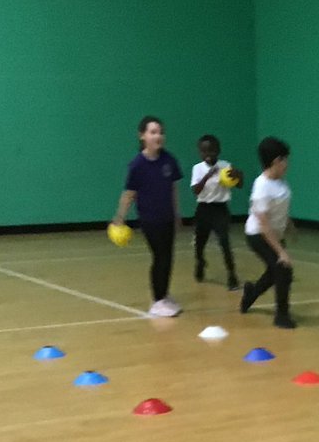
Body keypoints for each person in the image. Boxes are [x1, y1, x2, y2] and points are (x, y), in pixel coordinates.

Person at [113, 115, 183, 318]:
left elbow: (173, 189)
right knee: (159, 256)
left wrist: (177, 212)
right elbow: (129, 194)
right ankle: (157, 300)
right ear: (142, 136)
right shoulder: (137, 165)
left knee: (168, 257)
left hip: (167, 217)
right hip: (149, 219)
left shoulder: (169, 160)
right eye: (153, 132)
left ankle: (164, 294)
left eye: (160, 132)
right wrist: (120, 217)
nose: (158, 136)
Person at [239, 137, 296, 329]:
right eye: (284, 160)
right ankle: (282, 315)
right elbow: (263, 224)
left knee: (274, 272)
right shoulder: (261, 186)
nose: (287, 164)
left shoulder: (281, 183)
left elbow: (281, 209)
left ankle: (251, 293)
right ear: (275, 161)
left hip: (274, 234)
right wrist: (281, 252)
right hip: (258, 235)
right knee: (283, 269)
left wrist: (290, 225)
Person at [190, 134, 242, 291]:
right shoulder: (197, 168)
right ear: (200, 152)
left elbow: (239, 185)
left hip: (220, 209)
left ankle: (232, 275)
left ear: (218, 151)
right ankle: (200, 262)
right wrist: (208, 175)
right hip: (204, 209)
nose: (208, 154)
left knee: (225, 242)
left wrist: (238, 175)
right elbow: (196, 190)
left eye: (211, 151)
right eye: (204, 151)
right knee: (200, 243)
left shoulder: (225, 166)